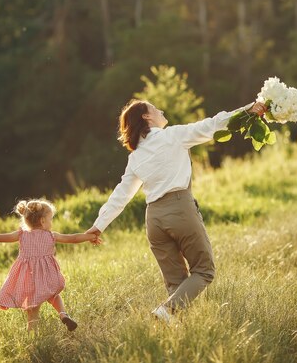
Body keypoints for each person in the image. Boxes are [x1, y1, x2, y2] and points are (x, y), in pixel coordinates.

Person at [85, 99, 267, 322]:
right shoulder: (172, 135)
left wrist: (98, 225)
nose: (161, 110)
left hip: (153, 220)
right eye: (155, 108)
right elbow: (212, 124)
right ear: (146, 116)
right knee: (204, 271)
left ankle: (173, 332)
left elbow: (121, 194)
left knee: (176, 284)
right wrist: (248, 110)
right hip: (179, 209)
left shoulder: (135, 157)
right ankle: (165, 312)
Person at [0, 198, 99, 331]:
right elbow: (73, 238)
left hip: (28, 278)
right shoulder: (51, 236)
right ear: (42, 221)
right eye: (51, 219)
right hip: (48, 275)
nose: (51, 222)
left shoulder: (21, 235)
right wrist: (90, 236)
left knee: (32, 310)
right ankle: (63, 314)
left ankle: (32, 334)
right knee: (54, 295)